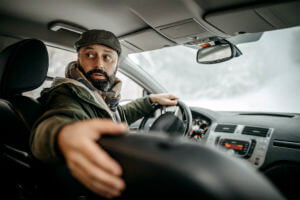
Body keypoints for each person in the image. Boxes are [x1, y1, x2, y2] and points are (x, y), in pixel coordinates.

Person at [29, 29, 179, 199]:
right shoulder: (67, 94)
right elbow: (55, 121)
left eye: (107, 57)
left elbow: (116, 115)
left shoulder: (98, 98)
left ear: (116, 64)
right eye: (90, 55)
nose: (99, 64)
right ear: (78, 60)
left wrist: (151, 100)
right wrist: (62, 136)